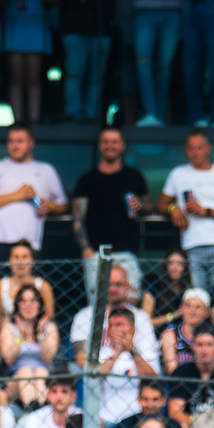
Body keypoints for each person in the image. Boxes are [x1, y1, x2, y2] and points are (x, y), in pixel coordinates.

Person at [70, 124, 151, 304]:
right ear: (100, 145)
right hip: (96, 254)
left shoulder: (134, 177)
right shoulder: (87, 180)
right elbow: (77, 218)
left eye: (114, 142)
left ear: (122, 145)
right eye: (106, 142)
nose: (110, 146)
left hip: (127, 252)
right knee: (99, 307)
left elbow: (149, 207)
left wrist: (140, 204)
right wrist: (87, 249)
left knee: (131, 303)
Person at [161, 130, 214, 293]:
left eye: (199, 147)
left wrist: (205, 211)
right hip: (190, 246)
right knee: (195, 298)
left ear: (208, 148)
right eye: (191, 148)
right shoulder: (178, 174)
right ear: (186, 150)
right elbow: (161, 205)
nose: (195, 152)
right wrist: (173, 209)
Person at [0, 123, 67, 259]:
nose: (14, 146)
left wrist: (49, 206)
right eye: (11, 141)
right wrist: (17, 195)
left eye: (20, 141)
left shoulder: (46, 170)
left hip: (28, 245)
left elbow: (63, 205)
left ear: (31, 143)